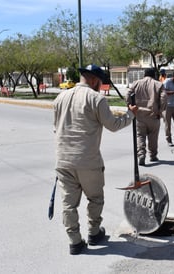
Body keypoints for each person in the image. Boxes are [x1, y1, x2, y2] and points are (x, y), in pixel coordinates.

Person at [53, 64, 138, 255]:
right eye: (100, 82)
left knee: (68, 204)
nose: (100, 86)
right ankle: (93, 232)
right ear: (93, 80)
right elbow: (113, 125)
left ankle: (74, 242)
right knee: (95, 198)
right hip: (88, 161)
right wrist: (131, 114)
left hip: (63, 160)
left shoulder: (59, 97)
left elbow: (55, 128)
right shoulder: (96, 98)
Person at [127, 68, 166, 166]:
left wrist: (130, 106)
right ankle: (153, 155)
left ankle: (141, 155)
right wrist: (160, 111)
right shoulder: (158, 84)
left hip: (139, 114)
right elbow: (164, 99)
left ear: (144, 74)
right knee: (153, 136)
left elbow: (128, 94)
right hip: (153, 114)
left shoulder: (136, 83)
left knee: (140, 136)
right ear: (154, 75)